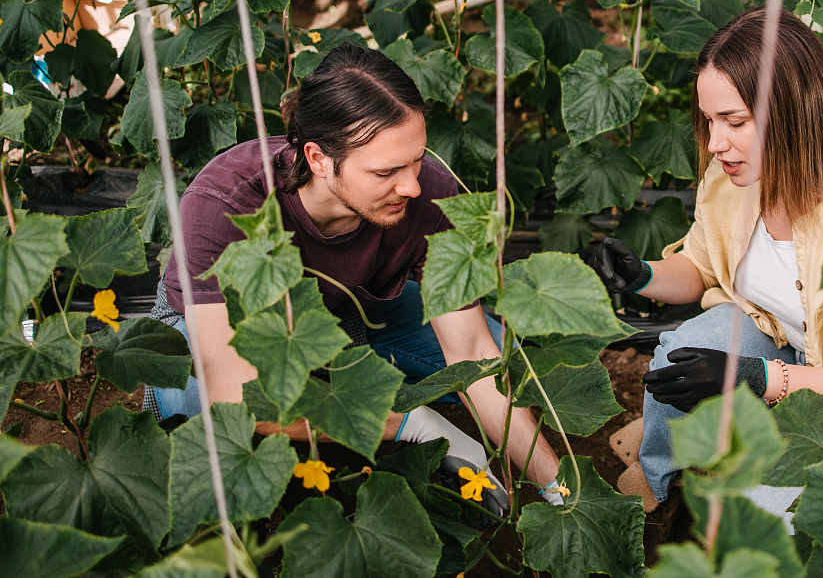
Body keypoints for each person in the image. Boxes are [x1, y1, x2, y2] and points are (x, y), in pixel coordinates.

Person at [144, 45, 563, 514]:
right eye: (386, 171)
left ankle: (339, 386)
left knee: (505, 362)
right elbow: (235, 396)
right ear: (319, 159)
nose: (412, 187)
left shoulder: (430, 196)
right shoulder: (225, 201)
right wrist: (409, 425)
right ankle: (352, 409)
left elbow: (470, 351)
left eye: (417, 160)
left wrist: (558, 487)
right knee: (200, 413)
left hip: (347, 317)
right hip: (217, 334)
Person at [586, 7, 823, 517]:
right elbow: (701, 269)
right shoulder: (731, 179)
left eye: (735, 121)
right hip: (772, 343)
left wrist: (752, 377)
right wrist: (641, 275)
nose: (716, 142)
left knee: (763, 515)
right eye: (709, 119)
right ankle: (656, 473)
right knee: (679, 354)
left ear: (794, 113)